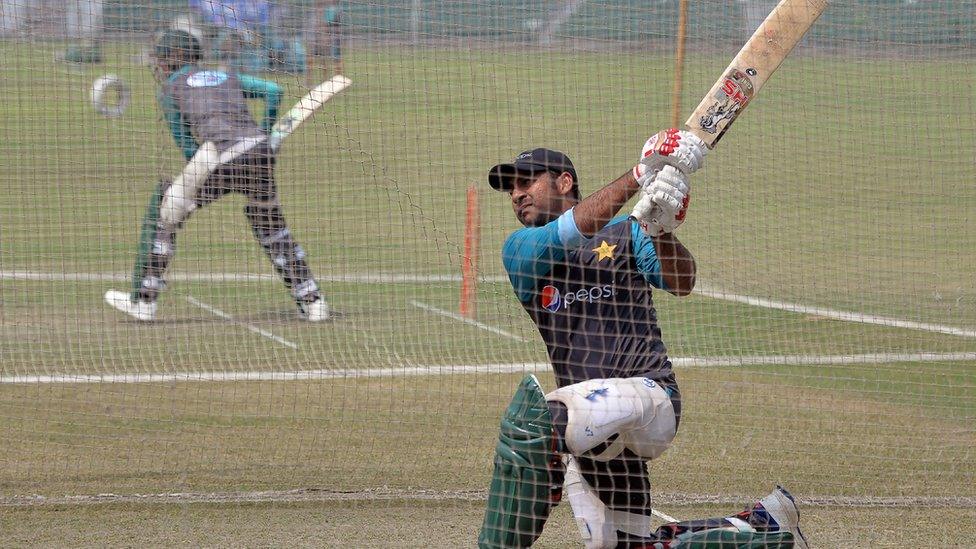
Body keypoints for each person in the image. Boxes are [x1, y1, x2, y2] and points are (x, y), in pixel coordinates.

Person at [478, 132, 809, 548]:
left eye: (527, 181)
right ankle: (765, 524)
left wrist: (661, 229)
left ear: (563, 182)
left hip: (650, 400)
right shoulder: (520, 250)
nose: (516, 193)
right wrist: (640, 173)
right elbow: (573, 229)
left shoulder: (626, 234)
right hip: (593, 430)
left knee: (535, 423)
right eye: (512, 186)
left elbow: (682, 281)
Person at [104, 29, 329, 322]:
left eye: (161, 58)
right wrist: (265, 132)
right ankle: (313, 302)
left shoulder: (171, 89)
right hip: (259, 153)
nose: (157, 64)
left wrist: (202, 178)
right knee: (271, 227)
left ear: (176, 58)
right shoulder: (228, 76)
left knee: (167, 215)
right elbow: (274, 91)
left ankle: (144, 302)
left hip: (220, 156)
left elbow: (187, 147)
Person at [305, 0, 344, 86]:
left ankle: (337, 81)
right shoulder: (318, 11)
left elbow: (327, 25)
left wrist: (325, 36)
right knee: (315, 58)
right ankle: (310, 81)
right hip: (320, 36)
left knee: (335, 58)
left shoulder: (332, 9)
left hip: (330, 36)